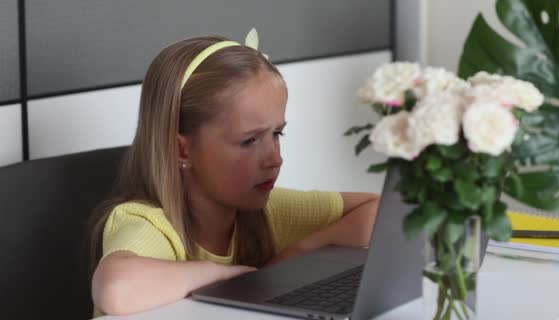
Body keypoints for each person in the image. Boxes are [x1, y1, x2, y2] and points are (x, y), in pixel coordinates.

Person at [88, 30, 380, 317]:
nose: (275, 159)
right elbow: (116, 289)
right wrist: (222, 276)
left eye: (277, 133)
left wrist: (298, 252)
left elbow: (381, 209)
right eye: (249, 141)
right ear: (182, 151)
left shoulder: (267, 211)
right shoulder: (148, 224)